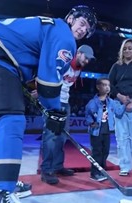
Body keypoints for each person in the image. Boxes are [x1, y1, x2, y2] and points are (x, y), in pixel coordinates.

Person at [0, 5, 97, 203]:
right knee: (11, 120)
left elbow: (36, 70)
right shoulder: (65, 36)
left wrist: (32, 89)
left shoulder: (54, 28)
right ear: (71, 18)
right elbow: (49, 83)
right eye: (82, 23)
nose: (83, 30)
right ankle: (0, 192)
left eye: (87, 29)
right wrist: (55, 110)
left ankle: (4, 180)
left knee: (6, 120)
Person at [40, 45, 96, 185]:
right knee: (50, 136)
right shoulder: (65, 60)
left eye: (89, 59)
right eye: (86, 58)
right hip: (53, 101)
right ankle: (46, 170)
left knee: (62, 136)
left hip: (65, 103)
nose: (87, 61)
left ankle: (58, 166)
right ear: (79, 53)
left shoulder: (79, 68)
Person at [108, 38, 132, 177]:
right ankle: (124, 166)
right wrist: (119, 96)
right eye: (125, 48)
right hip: (119, 104)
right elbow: (109, 85)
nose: (127, 51)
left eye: (130, 48)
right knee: (121, 137)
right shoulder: (116, 66)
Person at [85, 78, 125, 181]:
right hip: (96, 131)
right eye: (104, 85)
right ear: (98, 87)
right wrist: (90, 122)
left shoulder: (111, 102)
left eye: (108, 85)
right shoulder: (93, 102)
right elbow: (88, 113)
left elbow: (119, 113)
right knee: (97, 152)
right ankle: (94, 173)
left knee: (105, 152)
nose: (107, 87)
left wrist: (125, 104)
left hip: (107, 130)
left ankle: (102, 171)